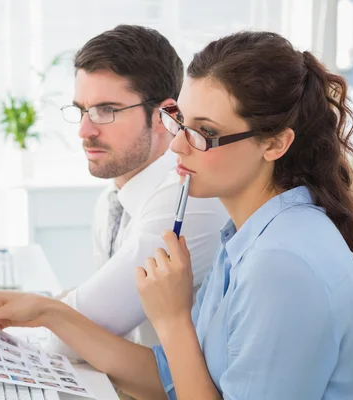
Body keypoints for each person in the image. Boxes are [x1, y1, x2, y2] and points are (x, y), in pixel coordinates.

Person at [0, 31, 353, 400]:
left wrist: (172, 320)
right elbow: (170, 377)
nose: (177, 147)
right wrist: (48, 312)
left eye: (204, 132)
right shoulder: (246, 236)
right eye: (181, 123)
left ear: (274, 144)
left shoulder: (281, 265)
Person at [51, 24, 228, 358]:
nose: (84, 131)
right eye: (81, 111)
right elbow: (88, 314)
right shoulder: (112, 202)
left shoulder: (186, 198)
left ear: (165, 115)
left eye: (106, 110)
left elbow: (75, 333)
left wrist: (41, 314)